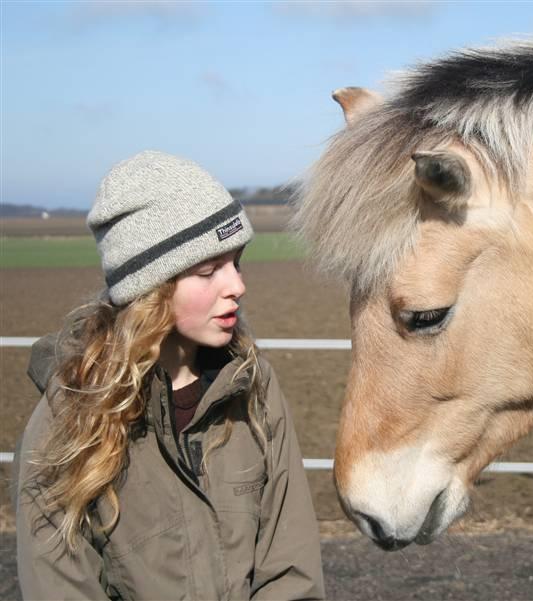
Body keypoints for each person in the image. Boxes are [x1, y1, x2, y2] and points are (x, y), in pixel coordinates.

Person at [13, 151, 325, 600]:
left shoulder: (252, 387)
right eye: (208, 269)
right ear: (149, 289)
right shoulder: (68, 421)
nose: (236, 284)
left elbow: (292, 570)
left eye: (236, 262)